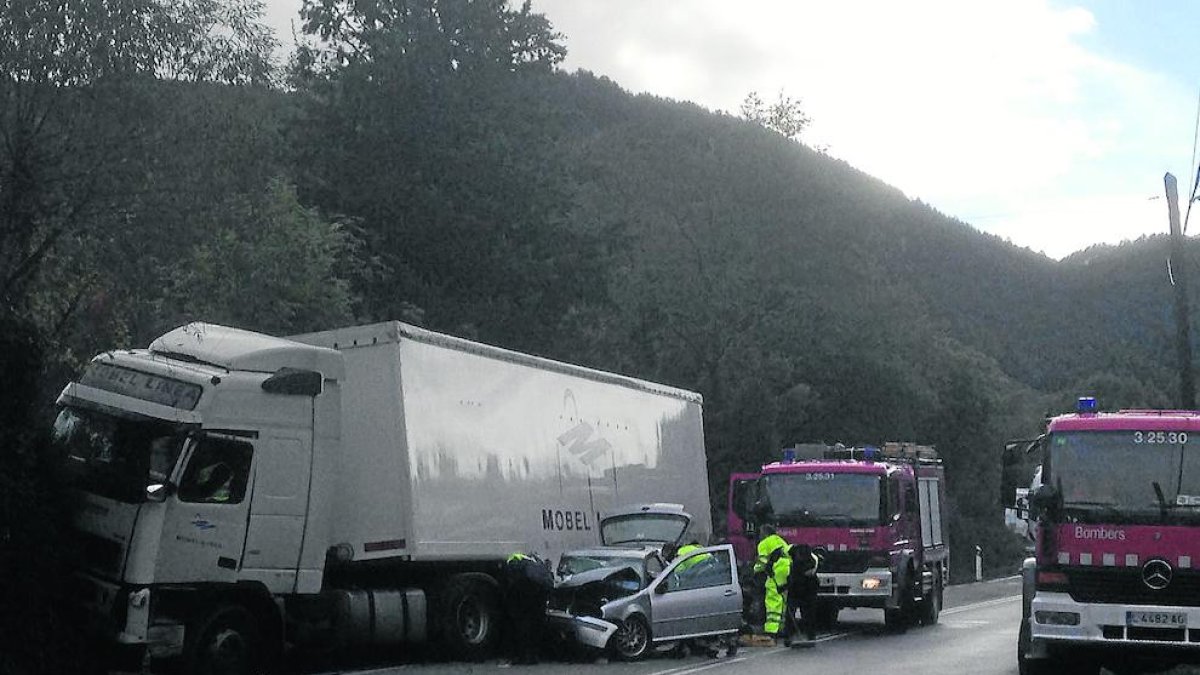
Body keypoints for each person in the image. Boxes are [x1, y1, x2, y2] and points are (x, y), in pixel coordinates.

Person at [502, 551, 553, 665]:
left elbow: (512, 583)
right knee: (534, 626)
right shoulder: (536, 563)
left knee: (522, 626)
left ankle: (522, 656)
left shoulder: (513, 561)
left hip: (525, 594)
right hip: (538, 594)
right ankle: (532, 656)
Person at [753, 525, 791, 642]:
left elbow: (762, 563)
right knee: (783, 598)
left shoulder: (764, 543)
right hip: (788, 568)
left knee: (773, 598)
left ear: (765, 533)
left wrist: (754, 570)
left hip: (777, 569)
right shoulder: (779, 540)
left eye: (760, 533)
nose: (759, 535)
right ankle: (782, 627)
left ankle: (771, 630)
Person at [784, 543, 821, 647]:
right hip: (804, 589)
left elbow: (796, 577)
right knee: (806, 614)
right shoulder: (810, 560)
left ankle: (791, 636)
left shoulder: (807, 561)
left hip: (803, 589)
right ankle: (808, 636)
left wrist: (785, 586)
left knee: (796, 613)